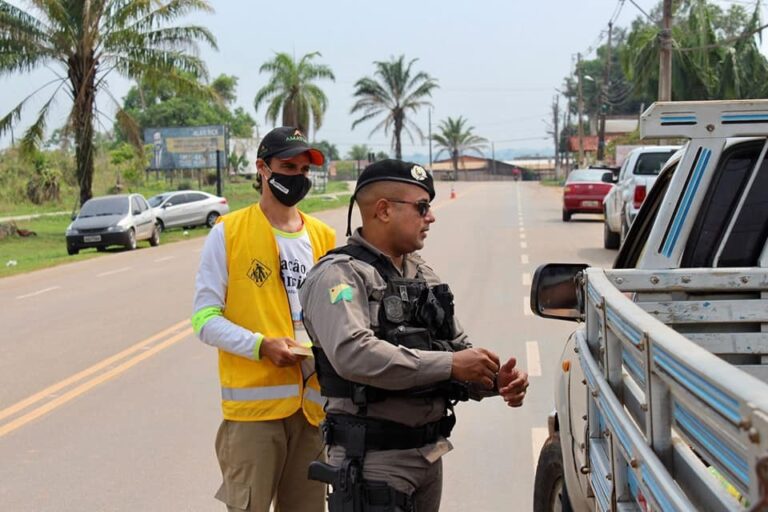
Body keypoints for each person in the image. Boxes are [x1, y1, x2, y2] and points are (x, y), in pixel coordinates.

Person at [299, 159, 529, 511]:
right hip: (372, 463)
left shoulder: (421, 273)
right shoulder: (339, 276)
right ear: (383, 210)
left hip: (426, 454)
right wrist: (452, 365)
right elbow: (354, 355)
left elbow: (453, 348)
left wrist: (493, 381)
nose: (431, 217)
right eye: (422, 207)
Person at [192, 126, 336, 512]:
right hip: (254, 417)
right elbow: (204, 319)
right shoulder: (228, 233)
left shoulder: (324, 238)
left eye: (305, 170)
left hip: (313, 411)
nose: (298, 177)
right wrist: (261, 346)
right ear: (262, 168)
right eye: (288, 166)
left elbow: (338, 314)